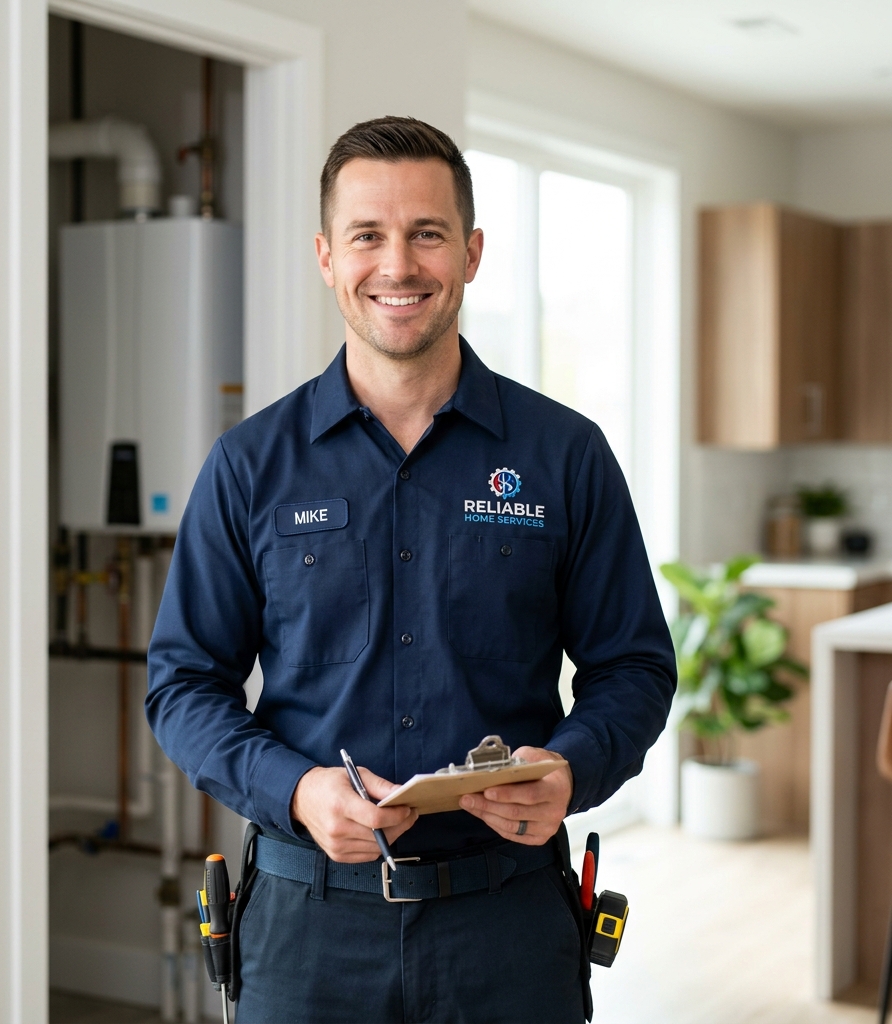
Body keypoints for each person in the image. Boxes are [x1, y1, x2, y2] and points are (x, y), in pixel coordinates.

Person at [147, 115, 676, 1024]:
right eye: (368, 235)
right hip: (305, 932)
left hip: (509, 926)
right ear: (326, 256)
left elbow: (635, 668)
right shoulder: (249, 465)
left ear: (470, 253)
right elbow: (182, 685)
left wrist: (573, 770)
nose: (398, 265)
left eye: (427, 233)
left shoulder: (566, 456)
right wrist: (297, 789)